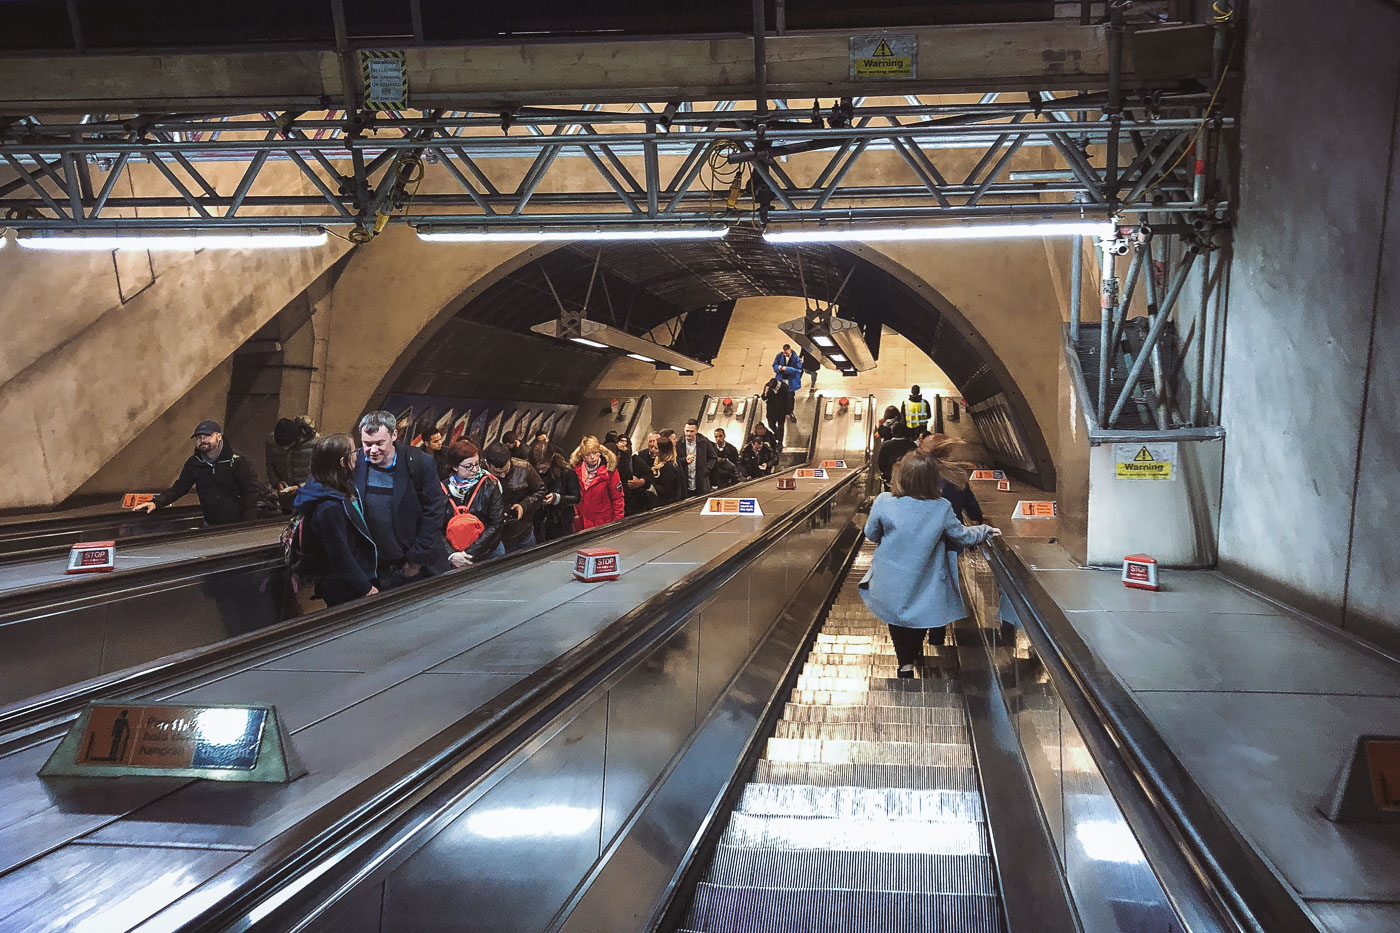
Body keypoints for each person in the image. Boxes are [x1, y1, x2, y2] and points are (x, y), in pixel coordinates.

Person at [860, 450, 999, 678]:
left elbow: (872, 534)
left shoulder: (884, 501)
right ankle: (914, 654)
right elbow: (961, 536)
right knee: (920, 614)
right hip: (926, 574)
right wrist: (985, 530)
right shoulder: (941, 506)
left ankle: (905, 662)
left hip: (891, 573)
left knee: (896, 616)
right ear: (932, 478)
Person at [352, 410, 450, 590]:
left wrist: (416, 559)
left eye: (380, 443)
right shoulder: (355, 462)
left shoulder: (419, 462)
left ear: (394, 435)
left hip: (412, 566)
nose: (373, 451)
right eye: (367, 444)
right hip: (374, 568)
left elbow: (434, 511)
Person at [291, 434, 379, 607]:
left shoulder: (326, 487)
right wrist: (366, 588)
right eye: (354, 451)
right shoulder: (329, 507)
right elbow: (339, 554)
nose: (357, 455)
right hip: (345, 586)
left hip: (347, 581)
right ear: (342, 462)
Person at [137, 420, 260, 525]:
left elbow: (250, 492)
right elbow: (180, 487)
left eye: (207, 436)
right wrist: (156, 502)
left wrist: (248, 524)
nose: (203, 440)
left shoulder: (237, 461)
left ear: (219, 437)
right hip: (210, 523)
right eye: (199, 438)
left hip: (236, 524)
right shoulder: (195, 463)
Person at [442, 439, 506, 568]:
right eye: (468, 466)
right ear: (455, 467)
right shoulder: (441, 489)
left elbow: (496, 523)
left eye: (477, 464)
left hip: (488, 551)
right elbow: (434, 526)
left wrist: (469, 554)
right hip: (454, 556)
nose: (475, 470)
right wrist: (452, 555)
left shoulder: (489, 485)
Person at [484, 440, 548, 553]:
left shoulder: (524, 468)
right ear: (487, 464)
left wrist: (524, 505)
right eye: (497, 473)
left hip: (522, 533)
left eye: (506, 470)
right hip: (493, 540)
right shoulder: (479, 474)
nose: (502, 475)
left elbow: (541, 490)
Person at [921, 433, 986, 523]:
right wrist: (979, 518)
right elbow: (971, 506)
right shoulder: (956, 477)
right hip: (952, 530)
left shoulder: (914, 475)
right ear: (947, 453)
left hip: (922, 531)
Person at [265, 415, 319, 514]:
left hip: (309, 498)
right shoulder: (271, 443)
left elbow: (322, 473)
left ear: (297, 437)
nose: (284, 449)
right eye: (281, 447)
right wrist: (277, 482)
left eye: (288, 445)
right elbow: (270, 465)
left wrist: (301, 487)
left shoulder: (315, 445)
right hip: (287, 502)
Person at [570, 435, 626, 531]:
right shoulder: (576, 471)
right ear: (583, 456)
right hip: (582, 521)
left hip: (603, 523)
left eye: (595, 453)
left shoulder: (610, 471)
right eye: (588, 454)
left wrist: (617, 524)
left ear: (599, 453)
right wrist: (576, 516)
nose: (592, 457)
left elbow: (618, 499)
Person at [531, 440, 581, 542]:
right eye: (538, 469)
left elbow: (576, 497)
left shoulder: (566, 472)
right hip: (538, 520)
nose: (540, 471)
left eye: (544, 467)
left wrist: (557, 498)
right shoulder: (530, 471)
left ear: (551, 460)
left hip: (560, 521)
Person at [678, 418, 718, 498]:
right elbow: (675, 461)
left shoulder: (704, 441)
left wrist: (705, 470)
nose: (688, 434)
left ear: (696, 431)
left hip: (701, 480)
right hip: (685, 481)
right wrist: (684, 460)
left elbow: (713, 457)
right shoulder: (679, 443)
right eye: (687, 431)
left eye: (691, 431)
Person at [625, 432, 659, 514]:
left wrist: (641, 482)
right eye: (650, 441)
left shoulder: (665, 458)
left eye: (654, 441)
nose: (652, 444)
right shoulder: (640, 455)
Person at [876, 423, 917, 490]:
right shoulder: (912, 445)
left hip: (890, 477)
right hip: (908, 478)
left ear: (892, 432)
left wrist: (886, 472)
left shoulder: (886, 445)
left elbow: (881, 463)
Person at [650, 436, 683, 505]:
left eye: (656, 448)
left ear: (662, 451)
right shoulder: (658, 461)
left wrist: (651, 484)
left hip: (668, 503)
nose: (652, 449)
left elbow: (667, 490)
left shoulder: (669, 467)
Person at [761, 377, 792, 445]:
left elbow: (787, 400)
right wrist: (765, 393)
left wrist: (787, 413)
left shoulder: (783, 387)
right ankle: (777, 435)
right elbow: (763, 398)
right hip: (771, 411)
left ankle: (780, 441)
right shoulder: (768, 387)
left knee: (781, 427)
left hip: (781, 411)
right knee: (771, 425)